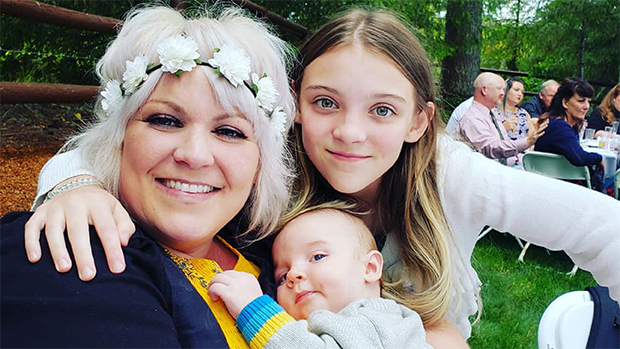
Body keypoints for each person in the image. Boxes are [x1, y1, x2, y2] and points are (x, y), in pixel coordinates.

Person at [21, 7, 620, 342]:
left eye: (382, 110)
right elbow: (123, 141)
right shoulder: (273, 156)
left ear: (420, 121)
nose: (349, 133)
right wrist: (71, 184)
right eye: (325, 102)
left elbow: (603, 228)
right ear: (295, 105)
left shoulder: (453, 174)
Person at [1, 5, 296, 347]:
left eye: (229, 131)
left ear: (261, 163)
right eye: (165, 121)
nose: (195, 155)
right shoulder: (69, 255)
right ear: (118, 137)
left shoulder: (281, 255)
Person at [208, 206, 433, 348]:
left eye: (317, 257)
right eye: (282, 276)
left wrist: (254, 310)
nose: (293, 275)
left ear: (370, 267)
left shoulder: (376, 323)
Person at [457, 72, 546, 167]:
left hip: (515, 164)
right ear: (484, 90)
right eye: (499, 89)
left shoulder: (492, 113)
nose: (503, 93)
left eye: (503, 89)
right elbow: (491, 148)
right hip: (493, 173)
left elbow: (503, 142)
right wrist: (527, 141)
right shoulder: (472, 118)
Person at [534, 77, 605, 191]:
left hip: (547, 187)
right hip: (558, 190)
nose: (587, 106)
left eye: (588, 101)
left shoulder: (555, 123)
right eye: (581, 101)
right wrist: (600, 158)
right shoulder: (559, 127)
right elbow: (579, 158)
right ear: (565, 103)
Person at [493, 77, 534, 141]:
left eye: (522, 92)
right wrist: (503, 128)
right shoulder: (494, 112)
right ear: (506, 90)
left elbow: (532, 137)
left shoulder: (524, 113)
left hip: (525, 149)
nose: (520, 94)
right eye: (516, 90)